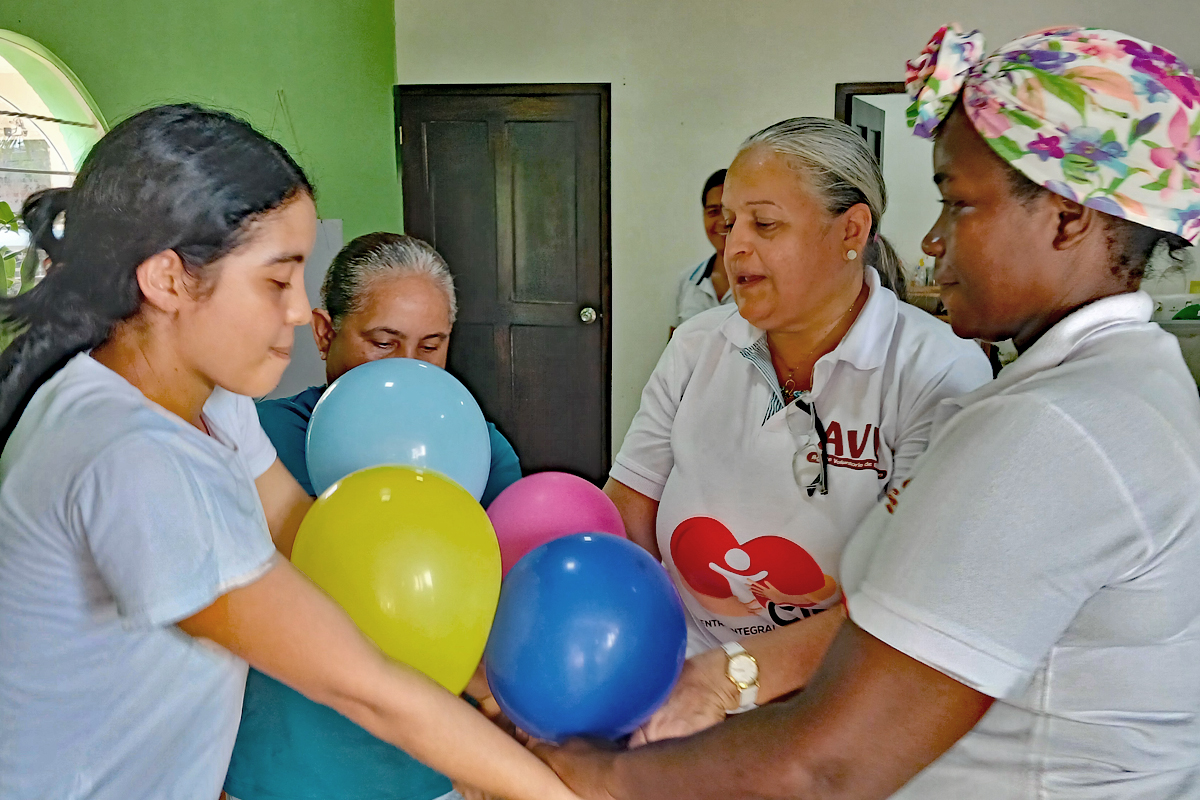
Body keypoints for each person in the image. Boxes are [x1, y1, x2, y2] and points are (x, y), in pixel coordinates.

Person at [533, 25, 1200, 800]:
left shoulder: (1048, 425)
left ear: (1068, 218)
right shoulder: (1127, 385)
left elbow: (826, 764)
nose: (931, 237)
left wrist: (603, 776)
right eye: (729, 224)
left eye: (958, 203)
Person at [0, 104, 577, 800]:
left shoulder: (212, 405)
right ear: (169, 280)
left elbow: (317, 545)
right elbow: (360, 688)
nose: (302, 312)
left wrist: (477, 670)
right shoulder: (130, 456)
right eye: (277, 281)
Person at [603, 116, 992, 747]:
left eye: (765, 224)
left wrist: (728, 681)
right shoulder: (698, 346)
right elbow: (629, 507)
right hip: (680, 684)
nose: (734, 248)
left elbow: (909, 605)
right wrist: (642, 662)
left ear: (851, 230)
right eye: (729, 224)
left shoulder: (937, 372)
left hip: (842, 707)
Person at [224, 232, 521, 800]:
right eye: (384, 342)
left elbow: (503, 621)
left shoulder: (479, 452)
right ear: (324, 332)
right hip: (283, 773)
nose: (409, 369)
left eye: (432, 345)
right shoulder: (261, 441)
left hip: (428, 772)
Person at [675, 170, 734, 327]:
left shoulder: (764, 279)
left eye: (729, 210)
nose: (723, 221)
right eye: (713, 211)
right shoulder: (688, 281)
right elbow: (675, 345)